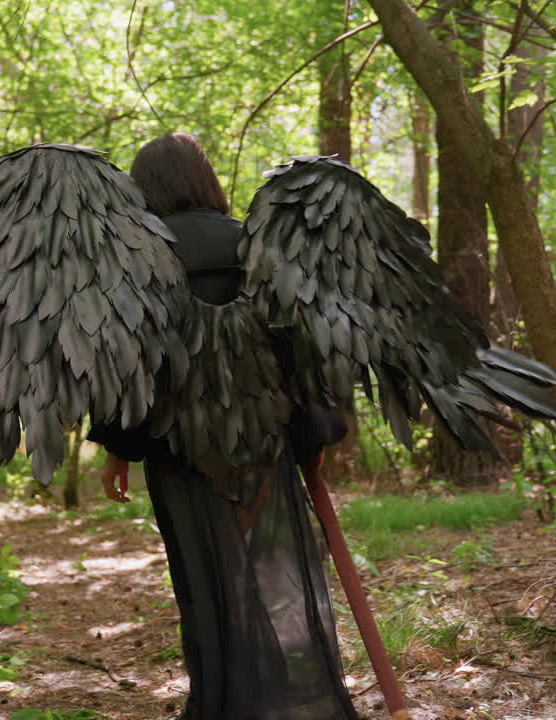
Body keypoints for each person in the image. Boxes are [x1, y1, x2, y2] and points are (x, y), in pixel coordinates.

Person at [87, 133, 361, 720]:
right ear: (205, 180)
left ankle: (220, 703)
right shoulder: (255, 245)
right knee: (271, 569)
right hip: (264, 439)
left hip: (177, 448)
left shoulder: (134, 261)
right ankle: (290, 698)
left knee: (203, 577)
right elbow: (299, 344)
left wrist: (118, 449)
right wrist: (312, 431)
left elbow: (125, 363)